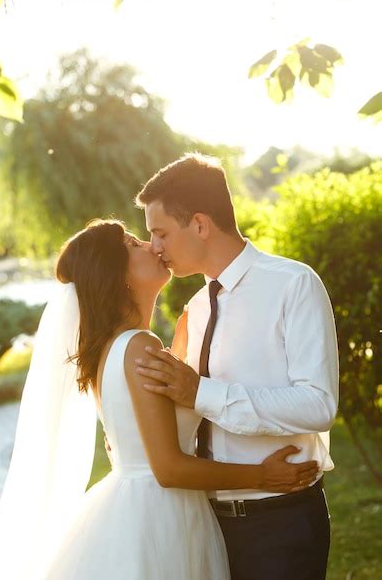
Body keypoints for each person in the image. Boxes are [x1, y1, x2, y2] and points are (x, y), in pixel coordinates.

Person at [0, 218, 318, 580]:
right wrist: (262, 476)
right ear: (116, 274)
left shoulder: (118, 347)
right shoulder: (138, 346)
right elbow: (168, 469)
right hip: (159, 517)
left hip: (145, 507)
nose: (152, 246)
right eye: (134, 244)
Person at [134, 153, 339, 580]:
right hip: (203, 525)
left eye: (161, 233)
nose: (155, 247)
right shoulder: (195, 307)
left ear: (201, 225)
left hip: (280, 524)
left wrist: (200, 393)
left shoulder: (293, 285)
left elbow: (319, 404)